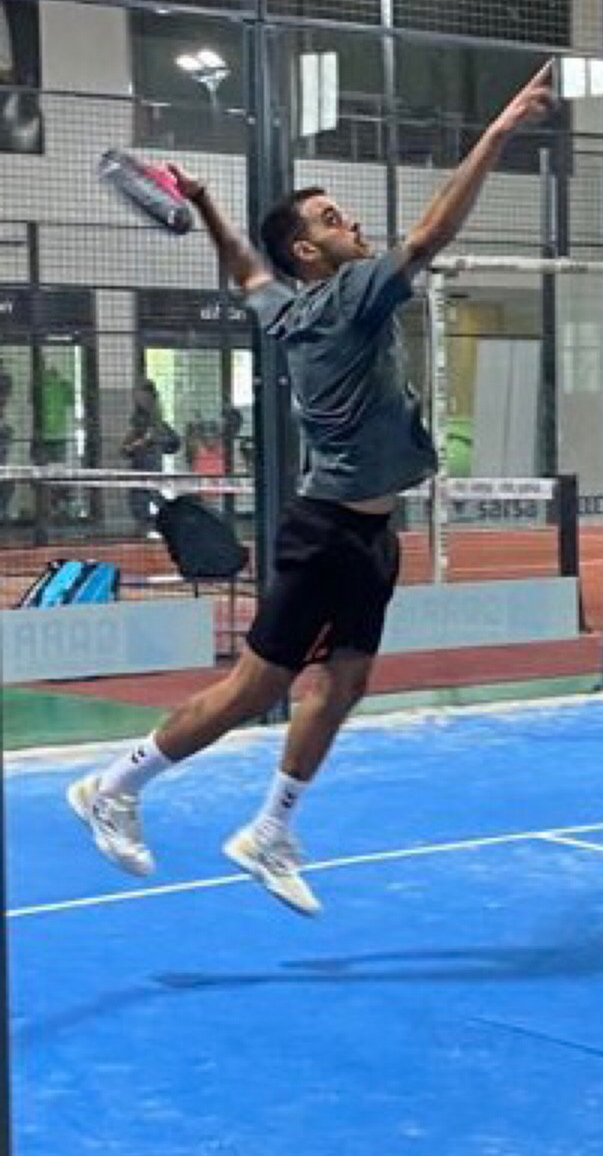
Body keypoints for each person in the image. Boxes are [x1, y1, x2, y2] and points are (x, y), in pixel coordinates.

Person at [69, 62, 554, 915]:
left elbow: (244, 273)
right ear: (308, 252)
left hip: (368, 534)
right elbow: (432, 232)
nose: (352, 223)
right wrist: (502, 127)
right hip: (326, 534)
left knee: (345, 681)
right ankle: (113, 787)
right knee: (254, 690)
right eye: (332, 219)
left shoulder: (288, 312)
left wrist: (207, 205)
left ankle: (271, 830)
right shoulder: (349, 297)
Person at [121, 378, 176, 532]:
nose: (137, 397)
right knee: (139, 495)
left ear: (148, 395)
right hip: (140, 461)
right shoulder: (140, 414)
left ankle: (169, 520)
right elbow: (135, 435)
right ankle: (144, 525)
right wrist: (129, 446)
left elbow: (153, 437)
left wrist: (137, 444)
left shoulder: (154, 416)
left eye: (139, 394)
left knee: (150, 493)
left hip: (150, 461)